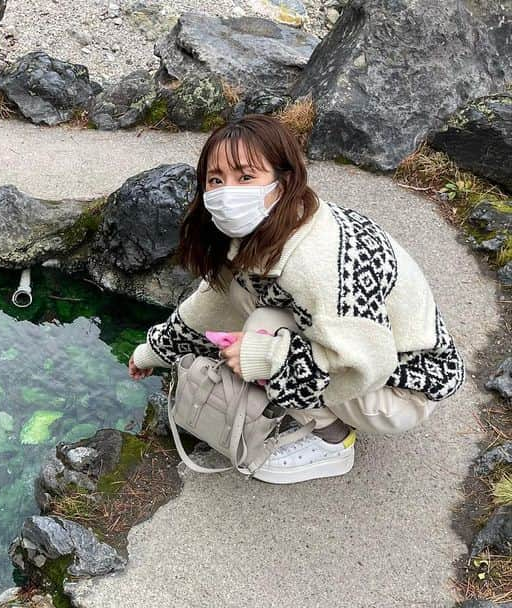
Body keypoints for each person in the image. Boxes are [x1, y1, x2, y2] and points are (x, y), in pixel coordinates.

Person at [128, 114, 465, 485]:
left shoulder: (317, 260)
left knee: (261, 329)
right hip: (368, 349)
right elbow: (214, 303)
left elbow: (368, 362)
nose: (227, 192)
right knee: (249, 306)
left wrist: (267, 359)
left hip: (403, 387)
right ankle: (303, 398)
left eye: (245, 177)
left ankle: (332, 443)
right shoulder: (275, 226)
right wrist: (151, 352)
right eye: (215, 179)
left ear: (283, 179)